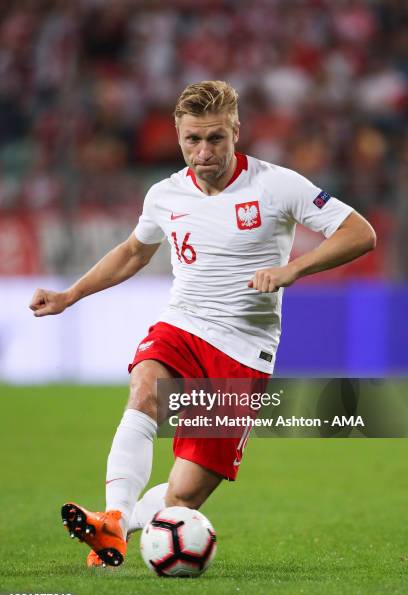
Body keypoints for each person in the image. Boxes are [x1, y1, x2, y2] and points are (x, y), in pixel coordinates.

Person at [29, 80, 376, 568]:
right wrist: (70, 295)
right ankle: (113, 516)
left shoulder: (277, 184)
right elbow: (133, 252)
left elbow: (360, 232)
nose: (203, 151)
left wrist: (293, 268)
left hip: (243, 350)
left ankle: (121, 527)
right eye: (192, 139)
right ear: (177, 136)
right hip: (183, 324)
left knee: (183, 498)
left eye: (215, 138)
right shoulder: (164, 195)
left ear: (237, 131)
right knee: (144, 389)